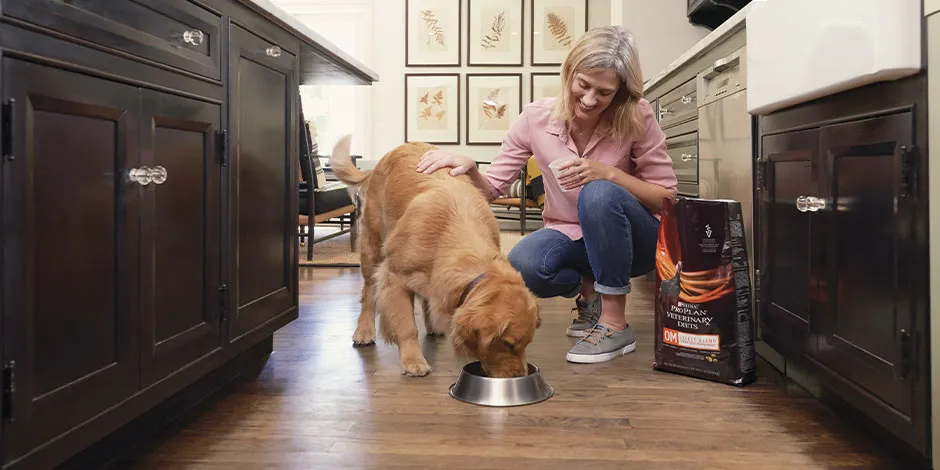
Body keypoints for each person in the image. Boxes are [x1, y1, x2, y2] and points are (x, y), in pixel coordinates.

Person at [415, 25, 677, 364]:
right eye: (583, 85)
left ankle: (615, 322)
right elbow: (492, 189)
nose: (589, 100)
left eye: (604, 92)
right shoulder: (535, 118)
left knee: (598, 193)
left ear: (621, 92)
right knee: (523, 266)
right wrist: (470, 167)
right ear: (569, 71)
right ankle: (590, 294)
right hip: (570, 234)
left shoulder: (637, 115)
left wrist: (609, 174)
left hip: (636, 243)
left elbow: (666, 198)